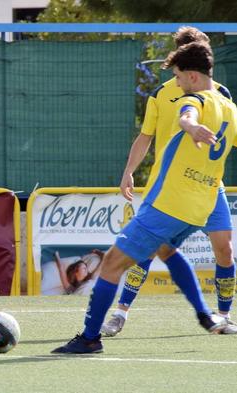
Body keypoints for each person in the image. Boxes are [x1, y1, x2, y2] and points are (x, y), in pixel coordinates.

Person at [53, 41, 237, 354]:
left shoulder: (194, 100)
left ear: (192, 76)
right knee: (165, 251)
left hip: (168, 203)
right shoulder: (230, 108)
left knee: (110, 265)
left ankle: (89, 338)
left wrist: (190, 126)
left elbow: (187, 116)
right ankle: (206, 315)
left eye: (178, 76)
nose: (176, 83)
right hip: (200, 207)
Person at [101, 26, 237, 336]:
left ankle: (224, 317)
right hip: (170, 187)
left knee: (225, 250)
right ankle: (120, 313)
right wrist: (128, 171)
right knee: (148, 250)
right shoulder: (162, 94)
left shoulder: (221, 95)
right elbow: (146, 136)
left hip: (208, 186)